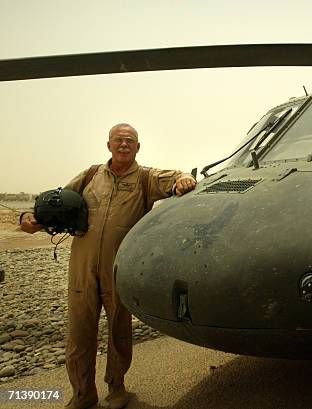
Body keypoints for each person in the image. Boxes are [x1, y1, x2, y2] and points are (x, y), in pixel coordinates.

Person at [20, 123, 196, 409]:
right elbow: (55, 203)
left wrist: (184, 179)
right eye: (118, 140)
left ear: (137, 147)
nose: (124, 144)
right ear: (109, 145)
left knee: (119, 330)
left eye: (130, 141)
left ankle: (117, 389)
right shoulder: (91, 175)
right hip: (82, 266)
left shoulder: (145, 178)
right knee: (79, 332)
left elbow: (176, 177)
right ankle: (82, 393)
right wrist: (28, 217)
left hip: (118, 266)